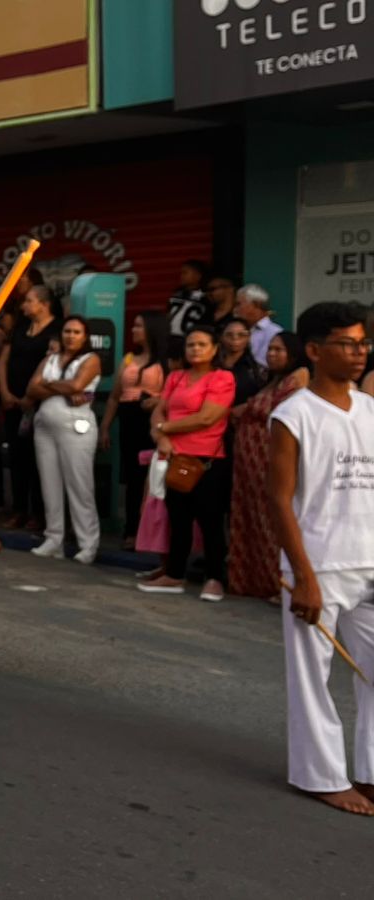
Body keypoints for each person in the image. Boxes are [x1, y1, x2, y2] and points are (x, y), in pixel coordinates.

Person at [268, 301, 374, 816]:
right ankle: (321, 776)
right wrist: (302, 575)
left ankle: (371, 771)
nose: (360, 352)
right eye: (347, 343)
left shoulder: (372, 410)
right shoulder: (293, 415)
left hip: (369, 562)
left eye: (363, 342)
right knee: (313, 676)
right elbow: (278, 499)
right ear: (314, 350)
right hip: (319, 565)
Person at [140, 326, 236, 601]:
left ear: (215, 349)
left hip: (207, 460)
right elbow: (159, 409)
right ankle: (174, 573)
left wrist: (166, 428)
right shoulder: (176, 376)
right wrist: (160, 436)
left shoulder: (222, 378)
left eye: (202, 344)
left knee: (210, 521)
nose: (195, 349)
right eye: (191, 344)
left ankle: (215, 578)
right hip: (174, 456)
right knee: (178, 518)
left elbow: (207, 418)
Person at [227, 332, 309, 602]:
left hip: (270, 460)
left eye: (279, 350)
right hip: (248, 462)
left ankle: (281, 584)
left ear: (294, 353)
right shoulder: (268, 380)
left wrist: (247, 409)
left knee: (273, 520)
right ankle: (252, 579)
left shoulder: (299, 377)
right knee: (249, 517)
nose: (272, 354)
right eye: (270, 349)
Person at [26, 315, 103, 564]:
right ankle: (54, 538)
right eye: (67, 331)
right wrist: (62, 386)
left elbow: (77, 385)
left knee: (80, 485)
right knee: (49, 484)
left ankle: (88, 544)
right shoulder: (50, 358)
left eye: (77, 332)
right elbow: (31, 389)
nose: (71, 336)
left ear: (85, 336)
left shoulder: (91, 359)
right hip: (45, 426)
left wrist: (48, 385)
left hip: (75, 426)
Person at [99, 312, 169, 547]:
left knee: (154, 476)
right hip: (128, 418)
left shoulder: (166, 361)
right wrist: (105, 427)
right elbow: (114, 397)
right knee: (132, 476)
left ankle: (152, 531)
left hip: (152, 420)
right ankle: (132, 529)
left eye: (139, 325)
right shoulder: (129, 358)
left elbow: (176, 393)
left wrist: (159, 401)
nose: (134, 330)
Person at [0, 283, 61, 531]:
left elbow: (51, 365)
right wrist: (4, 391)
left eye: (29, 301)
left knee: (39, 459)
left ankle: (39, 513)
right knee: (17, 457)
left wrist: (30, 398)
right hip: (13, 402)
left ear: (44, 304)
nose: (24, 306)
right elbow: (4, 360)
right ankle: (19, 509)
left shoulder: (56, 329)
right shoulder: (21, 328)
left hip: (40, 404)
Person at [219, 318, 267, 410]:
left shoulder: (258, 370)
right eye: (229, 335)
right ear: (221, 337)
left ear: (248, 337)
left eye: (241, 335)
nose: (235, 339)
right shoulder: (212, 365)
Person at [236, 283, 282, 366]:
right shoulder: (238, 329)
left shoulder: (274, 333)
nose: (235, 309)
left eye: (239, 304)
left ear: (256, 305)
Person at [168, 259, 210, 339]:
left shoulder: (205, 298)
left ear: (197, 276)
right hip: (171, 337)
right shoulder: (177, 294)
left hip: (189, 338)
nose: (181, 276)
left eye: (185, 273)